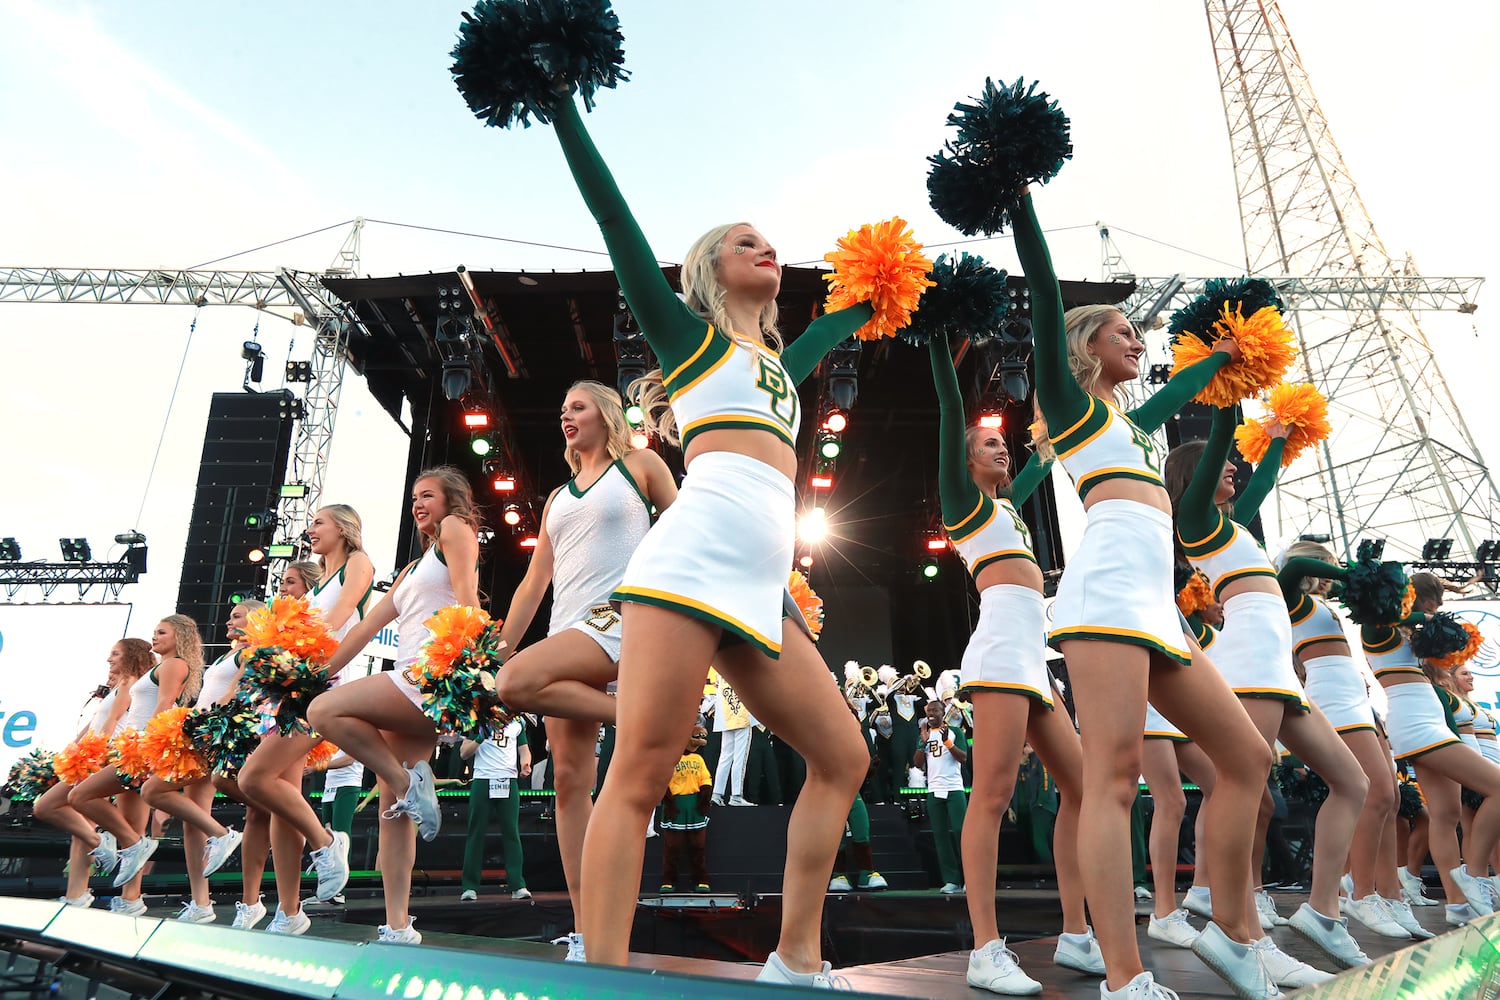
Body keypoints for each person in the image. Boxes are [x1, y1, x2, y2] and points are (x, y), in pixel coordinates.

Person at [546, 91, 877, 985]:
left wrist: (889, 289)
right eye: (744, 242)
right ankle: (601, 976)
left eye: (769, 242)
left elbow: (841, 321)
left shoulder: (778, 366)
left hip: (763, 587)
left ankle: (795, 958)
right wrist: (561, 106)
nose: (766, 248)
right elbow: (614, 221)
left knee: (844, 757)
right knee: (642, 771)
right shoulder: (689, 340)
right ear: (707, 274)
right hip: (687, 567)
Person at [1016, 185, 1279, 1000]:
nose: (1138, 340)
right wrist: (1017, 196)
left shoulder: (1132, 424)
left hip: (1157, 607)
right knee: (1115, 778)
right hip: (1104, 597)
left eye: (1138, 332)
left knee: (1247, 759)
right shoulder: (1072, 408)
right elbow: (1044, 291)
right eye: (1122, 332)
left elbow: (1189, 390)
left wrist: (1230, 352)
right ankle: (1124, 976)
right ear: (1084, 347)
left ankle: (1231, 933)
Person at [1166, 406, 1370, 980]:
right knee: (1243, 787)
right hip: (1249, 660)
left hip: (1275, 664)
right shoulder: (1196, 520)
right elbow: (1218, 455)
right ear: (1195, 477)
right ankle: (1237, 929)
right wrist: (1226, 404)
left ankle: (1321, 913)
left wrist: (1277, 439)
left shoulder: (1233, 526)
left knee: (1353, 782)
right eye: (1221, 463)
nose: (1234, 467)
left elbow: (1261, 483)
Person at [925, 334, 1094, 991]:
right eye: (990, 444)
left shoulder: (1008, 509)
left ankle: (1076, 933)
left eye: (1004, 443)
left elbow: (1042, 462)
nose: (1003, 448)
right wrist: (942, 348)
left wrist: (1061, 418)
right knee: (992, 797)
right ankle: (985, 948)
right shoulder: (964, 503)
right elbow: (949, 411)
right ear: (966, 460)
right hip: (999, 653)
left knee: (1081, 788)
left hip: (1034, 660)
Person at [489, 379, 675, 959]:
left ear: (607, 414)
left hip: (619, 621)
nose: (566, 416)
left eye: (578, 406)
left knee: (517, 683)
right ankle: (586, 928)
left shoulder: (641, 466)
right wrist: (500, 646)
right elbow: (533, 582)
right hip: (566, 627)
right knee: (570, 785)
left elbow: (684, 533)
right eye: (562, 408)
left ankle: (633, 714)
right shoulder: (556, 498)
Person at [308, 468, 481, 945]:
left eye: (428, 495)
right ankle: (399, 926)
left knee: (324, 711)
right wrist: (316, 673)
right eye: (414, 497)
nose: (418, 504)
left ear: (451, 500)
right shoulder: (411, 568)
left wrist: (470, 666)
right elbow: (365, 630)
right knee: (394, 809)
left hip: (426, 676)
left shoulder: (456, 529)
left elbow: (468, 599)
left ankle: (408, 781)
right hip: (409, 677)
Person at [1278, 541, 1427, 938]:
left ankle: (1391, 894)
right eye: (1327, 567)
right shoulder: (1292, 599)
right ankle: (1363, 893)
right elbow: (1293, 571)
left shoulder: (1324, 607)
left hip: (1357, 697)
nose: (1333, 576)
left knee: (1391, 797)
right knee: (1376, 792)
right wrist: (1348, 574)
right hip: (1332, 696)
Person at [238, 505, 374, 934]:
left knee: (253, 778)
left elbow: (343, 614)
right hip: (295, 690)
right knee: (283, 799)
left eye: (318, 522)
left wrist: (295, 647)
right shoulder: (319, 582)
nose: (310, 529)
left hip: (322, 691)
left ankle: (327, 841)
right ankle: (290, 911)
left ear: (343, 529)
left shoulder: (357, 562)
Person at [1358, 572, 1500, 927]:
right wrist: (1426, 615)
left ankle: (1458, 904)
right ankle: (1475, 874)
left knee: (1446, 814)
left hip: (1429, 721)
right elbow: (1397, 615)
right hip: (1416, 723)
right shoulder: (1377, 628)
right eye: (1433, 604)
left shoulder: (1409, 637)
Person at [138, 601, 265, 924]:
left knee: (153, 790)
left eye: (237, 616)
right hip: (203, 732)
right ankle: (201, 903)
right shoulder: (225, 656)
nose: (228, 621)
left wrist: (203, 722)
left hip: (215, 735)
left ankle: (223, 834)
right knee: (192, 820)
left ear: (256, 619)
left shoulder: (252, 652)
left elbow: (235, 694)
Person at [70, 615, 204, 904]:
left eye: (162, 632)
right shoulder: (159, 667)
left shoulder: (175, 664)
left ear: (179, 636)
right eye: (155, 632)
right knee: (129, 820)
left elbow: (165, 703)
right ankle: (130, 899)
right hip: (132, 747)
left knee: (80, 796)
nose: (155, 636)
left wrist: (147, 743)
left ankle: (125, 844)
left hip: (141, 748)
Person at [34, 639, 152, 907]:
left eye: (115, 654)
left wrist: (94, 754)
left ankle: (102, 845)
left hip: (105, 757)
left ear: (130, 656)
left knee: (48, 806)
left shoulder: (130, 683)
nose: (109, 659)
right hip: (93, 755)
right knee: (79, 825)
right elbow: (95, 724)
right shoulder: (119, 686)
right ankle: (77, 894)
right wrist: (71, 750)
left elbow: (111, 723)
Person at [459, 717, 532, 901]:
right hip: (483, 779)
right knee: (476, 832)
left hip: (508, 779)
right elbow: (464, 753)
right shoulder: (478, 721)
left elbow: (524, 750)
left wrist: (525, 764)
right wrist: (480, 737)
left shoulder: (517, 723)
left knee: (511, 832)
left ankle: (517, 884)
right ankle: (469, 886)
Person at [917, 701, 969, 896]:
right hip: (934, 790)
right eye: (929, 711)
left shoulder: (955, 732)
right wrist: (922, 743)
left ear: (943, 712)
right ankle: (951, 880)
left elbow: (963, 758)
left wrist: (948, 742)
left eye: (935, 710)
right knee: (940, 836)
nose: (931, 714)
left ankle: (970, 878)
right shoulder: (924, 734)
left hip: (954, 789)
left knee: (961, 832)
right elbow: (917, 763)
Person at [659, 723, 713, 893]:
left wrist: (704, 799)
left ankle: (701, 879)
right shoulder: (670, 758)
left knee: (698, 847)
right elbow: (663, 781)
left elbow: (706, 780)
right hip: (676, 805)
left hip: (694, 805)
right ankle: (668, 880)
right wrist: (669, 802)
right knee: (672, 847)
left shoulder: (698, 759)